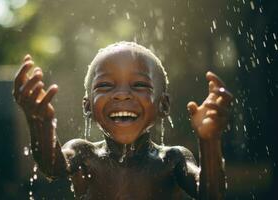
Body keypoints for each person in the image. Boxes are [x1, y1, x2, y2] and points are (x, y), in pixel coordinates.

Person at [13, 41, 233, 200]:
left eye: (139, 85)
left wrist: (210, 140)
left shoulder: (173, 159)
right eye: (105, 85)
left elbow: (211, 194)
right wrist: (39, 123)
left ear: (163, 106)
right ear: (87, 106)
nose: (121, 95)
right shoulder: (84, 154)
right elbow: (52, 167)